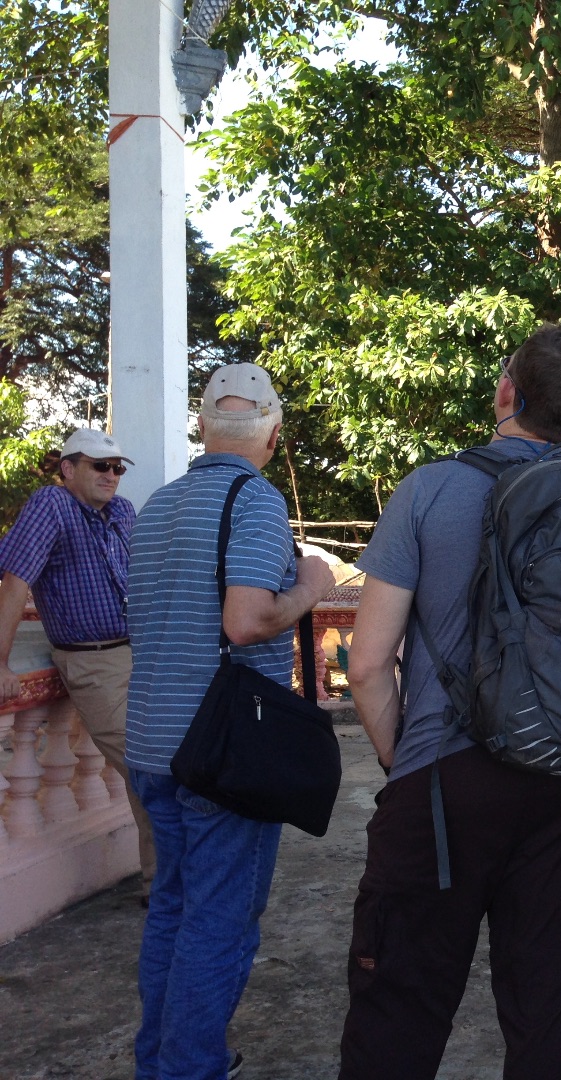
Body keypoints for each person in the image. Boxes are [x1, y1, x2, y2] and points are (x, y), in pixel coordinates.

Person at [337, 324, 561, 1080]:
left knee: (400, 1000)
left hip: (446, 776)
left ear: (507, 393)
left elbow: (366, 664)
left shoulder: (433, 487)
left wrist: (405, 762)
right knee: (548, 1003)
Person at [125, 364, 335, 1080]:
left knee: (174, 912)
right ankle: (188, 1068)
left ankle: (163, 1059)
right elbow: (246, 622)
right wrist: (312, 584)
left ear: (203, 429)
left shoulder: (155, 504)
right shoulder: (256, 501)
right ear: (273, 435)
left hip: (152, 743)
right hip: (219, 753)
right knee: (219, 921)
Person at [0, 428, 156, 900]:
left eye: (117, 468)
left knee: (162, 762)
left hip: (141, 652)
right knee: (146, 767)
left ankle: (165, 881)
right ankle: (170, 884)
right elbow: (14, 582)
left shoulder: (123, 511)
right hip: (93, 661)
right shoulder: (53, 505)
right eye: (100, 466)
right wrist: (0, 663)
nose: (112, 476)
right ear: (68, 469)